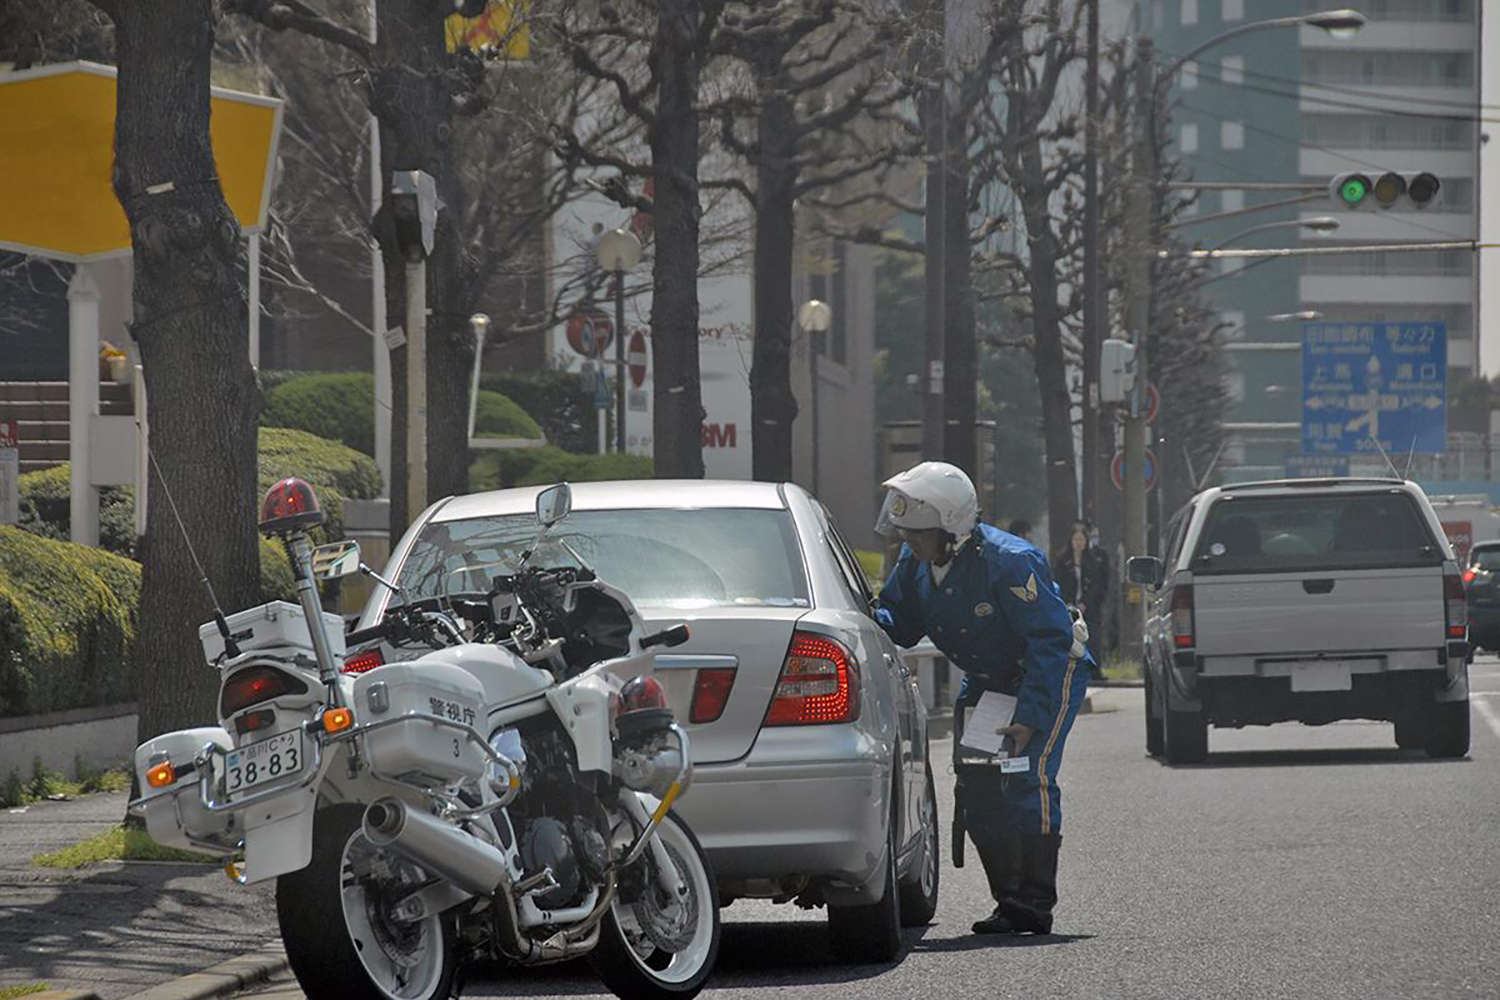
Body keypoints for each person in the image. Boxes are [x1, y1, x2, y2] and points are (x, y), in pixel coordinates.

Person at [873, 461, 1093, 936]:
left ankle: (1034, 902)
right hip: (989, 681)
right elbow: (899, 620)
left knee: (1026, 772)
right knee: (976, 783)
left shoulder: (1010, 561)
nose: (908, 542)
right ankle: (1008, 900)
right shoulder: (915, 564)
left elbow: (1048, 645)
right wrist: (865, 617)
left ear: (951, 529)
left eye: (920, 533)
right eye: (905, 532)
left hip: (1046, 673)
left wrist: (1031, 717)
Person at [1053, 521, 1109, 669]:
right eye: (1076, 539)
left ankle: (1094, 669)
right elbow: (1059, 582)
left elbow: (1097, 585)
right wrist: (1069, 603)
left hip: (1089, 608)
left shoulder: (1093, 561)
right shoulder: (1063, 561)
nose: (1078, 543)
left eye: (1081, 540)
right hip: (1068, 606)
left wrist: (1086, 602)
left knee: (1092, 638)